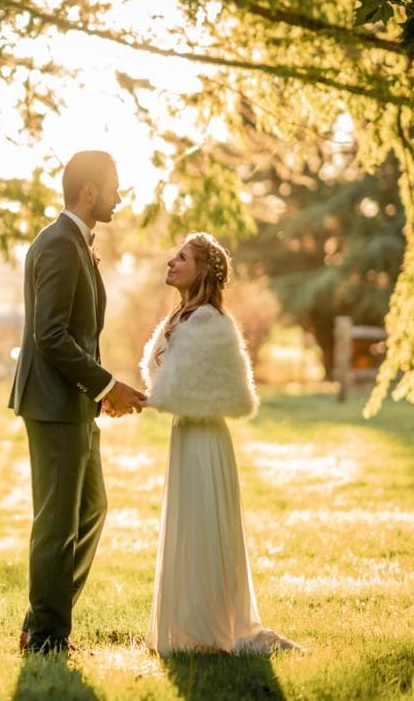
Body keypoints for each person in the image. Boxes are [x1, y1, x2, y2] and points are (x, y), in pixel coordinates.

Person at [8, 150, 147, 655]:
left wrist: (98, 393)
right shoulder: (59, 245)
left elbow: (80, 334)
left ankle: (43, 619)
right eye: (113, 187)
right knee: (57, 521)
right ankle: (46, 636)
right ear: (89, 191)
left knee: (91, 510)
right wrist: (107, 386)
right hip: (52, 405)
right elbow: (50, 335)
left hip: (75, 403)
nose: (118, 196)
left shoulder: (74, 243)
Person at [141, 232, 304, 654]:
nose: (170, 262)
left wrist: (147, 399)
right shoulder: (181, 318)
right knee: (187, 526)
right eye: (173, 255)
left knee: (204, 525)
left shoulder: (211, 324)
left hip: (205, 437)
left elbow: (193, 387)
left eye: (181, 257)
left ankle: (211, 628)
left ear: (201, 271)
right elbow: (169, 383)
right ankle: (189, 628)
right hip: (185, 432)